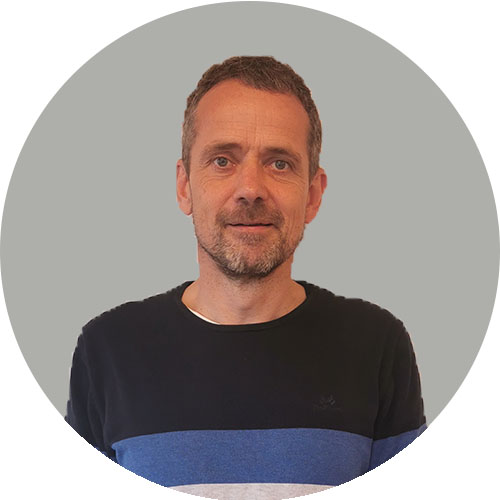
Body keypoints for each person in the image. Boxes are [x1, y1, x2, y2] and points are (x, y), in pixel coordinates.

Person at [65, 56, 426, 499]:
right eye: (222, 160)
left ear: (313, 195)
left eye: (280, 164)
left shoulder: (377, 345)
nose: (250, 188)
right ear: (184, 186)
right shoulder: (108, 349)